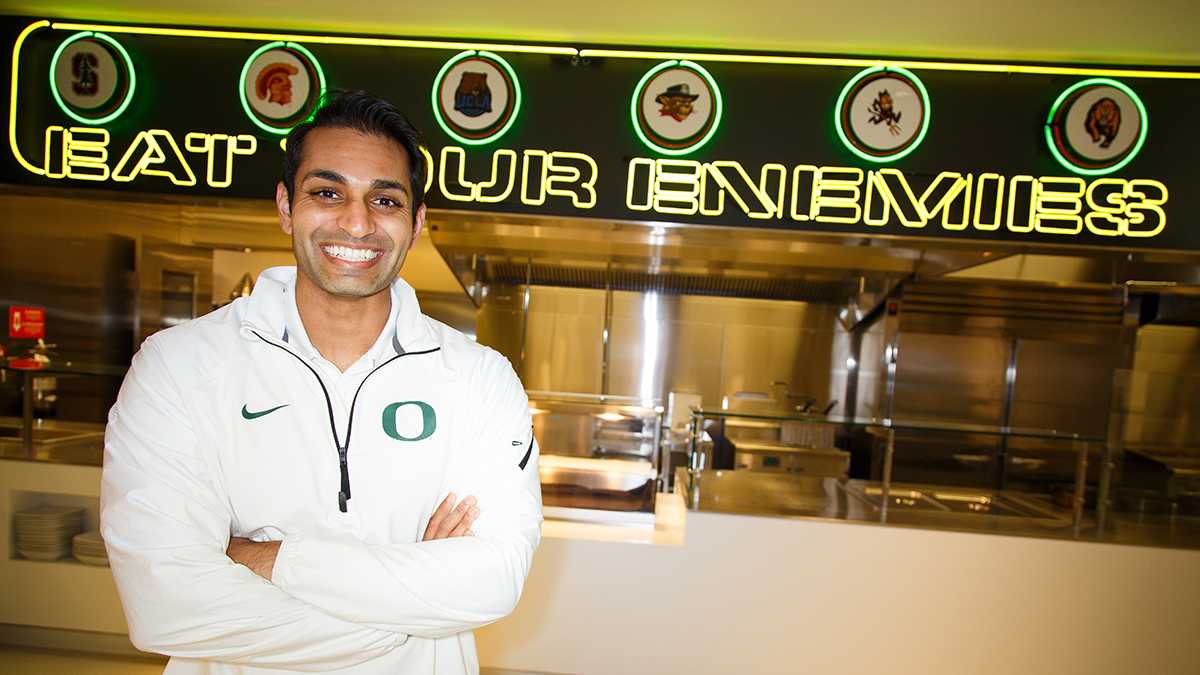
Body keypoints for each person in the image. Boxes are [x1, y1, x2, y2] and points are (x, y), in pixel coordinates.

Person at [101, 91, 542, 674]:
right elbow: (166, 602)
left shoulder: (478, 377)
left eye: (384, 199)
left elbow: (491, 581)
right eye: (327, 193)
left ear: (415, 223)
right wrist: (406, 617)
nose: (356, 223)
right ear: (287, 206)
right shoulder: (180, 365)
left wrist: (265, 556)